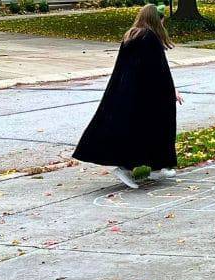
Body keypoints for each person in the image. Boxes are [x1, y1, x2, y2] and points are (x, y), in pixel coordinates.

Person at [73, 4, 182, 189]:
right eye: (162, 21)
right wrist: (171, 91)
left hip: (126, 90)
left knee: (135, 128)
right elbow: (158, 70)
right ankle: (133, 166)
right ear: (157, 20)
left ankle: (155, 166)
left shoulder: (131, 35)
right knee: (160, 124)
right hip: (147, 93)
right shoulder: (150, 38)